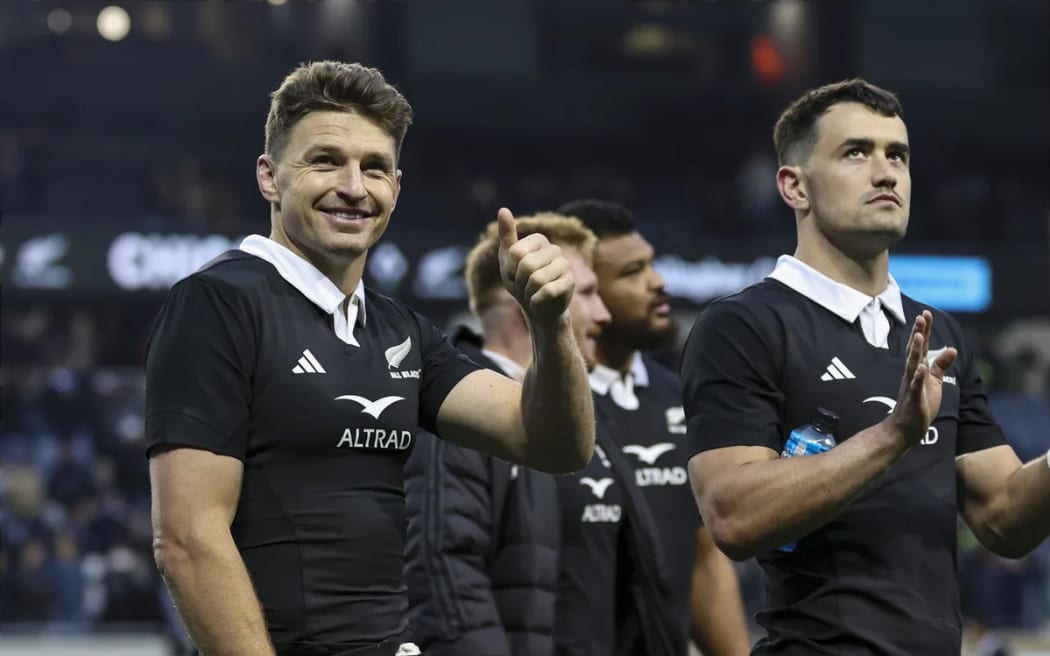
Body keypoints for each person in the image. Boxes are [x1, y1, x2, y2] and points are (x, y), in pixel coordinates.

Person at [144, 61, 595, 656]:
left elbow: (557, 444)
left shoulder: (397, 328)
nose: (355, 187)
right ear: (270, 177)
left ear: (396, 189)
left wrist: (550, 324)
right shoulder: (218, 302)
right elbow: (186, 536)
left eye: (374, 168)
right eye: (325, 160)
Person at [680, 78, 1050, 655]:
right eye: (857, 152)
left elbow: (1003, 518)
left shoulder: (940, 333)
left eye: (897, 155)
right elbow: (734, 515)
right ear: (794, 186)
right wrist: (894, 436)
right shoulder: (742, 326)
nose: (886, 173)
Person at [404, 213, 610, 656]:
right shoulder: (457, 412)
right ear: (526, 301)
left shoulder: (566, 422)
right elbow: (446, 579)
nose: (603, 314)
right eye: (588, 293)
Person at [558, 199, 750, 656]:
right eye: (632, 272)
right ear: (582, 289)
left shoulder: (678, 396)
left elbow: (704, 559)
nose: (658, 282)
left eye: (651, 265)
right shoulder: (545, 407)